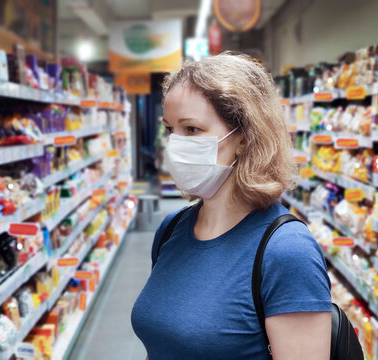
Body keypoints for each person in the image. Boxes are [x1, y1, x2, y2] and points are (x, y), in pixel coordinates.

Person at [131, 52, 332, 360]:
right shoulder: (171, 230)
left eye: (192, 129)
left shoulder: (287, 252)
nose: (176, 145)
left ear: (244, 136)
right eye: (170, 129)